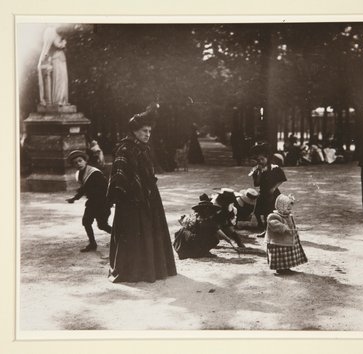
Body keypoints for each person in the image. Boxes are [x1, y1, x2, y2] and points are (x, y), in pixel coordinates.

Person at [106, 105, 177, 283]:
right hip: (131, 199)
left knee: (150, 231)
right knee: (134, 232)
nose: (147, 134)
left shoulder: (143, 148)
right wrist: (126, 195)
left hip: (149, 196)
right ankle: (133, 271)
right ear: (134, 131)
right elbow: (119, 177)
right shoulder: (124, 149)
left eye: (149, 131)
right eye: (144, 131)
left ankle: (152, 269)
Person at [66, 150, 112, 252]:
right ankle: (92, 244)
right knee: (86, 222)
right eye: (75, 163)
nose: (78, 164)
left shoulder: (94, 173)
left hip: (102, 203)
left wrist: (109, 202)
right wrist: (74, 198)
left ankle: (121, 238)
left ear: (85, 161)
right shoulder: (80, 174)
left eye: (80, 161)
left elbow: (106, 188)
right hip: (92, 203)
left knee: (102, 225)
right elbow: (84, 188)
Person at [173, 194, 238, 259]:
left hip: (186, 244)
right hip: (194, 243)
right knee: (215, 238)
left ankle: (198, 251)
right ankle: (202, 252)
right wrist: (230, 241)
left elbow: (182, 223)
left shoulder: (193, 217)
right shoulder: (208, 221)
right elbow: (220, 232)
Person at [265, 194, 308, 275]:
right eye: (287, 208)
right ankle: (280, 269)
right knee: (280, 255)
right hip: (277, 241)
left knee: (286, 254)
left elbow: (291, 224)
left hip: (286, 240)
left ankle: (286, 267)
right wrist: (283, 227)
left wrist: (294, 228)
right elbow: (274, 224)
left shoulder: (288, 216)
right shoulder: (273, 216)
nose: (290, 210)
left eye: (290, 208)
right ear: (281, 206)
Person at [249, 143, 287, 230]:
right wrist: (259, 173)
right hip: (263, 192)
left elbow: (282, 179)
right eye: (259, 160)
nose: (261, 162)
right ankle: (262, 225)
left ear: (267, 158)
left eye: (262, 159)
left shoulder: (274, 168)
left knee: (270, 211)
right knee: (258, 211)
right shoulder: (257, 170)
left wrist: (274, 188)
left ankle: (270, 228)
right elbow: (256, 184)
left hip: (273, 193)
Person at [38, 25, 68, 106]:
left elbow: (63, 46)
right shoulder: (52, 34)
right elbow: (48, 50)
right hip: (56, 59)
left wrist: (62, 43)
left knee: (63, 79)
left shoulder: (62, 37)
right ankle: (57, 100)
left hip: (61, 59)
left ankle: (62, 99)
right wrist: (45, 59)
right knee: (58, 79)